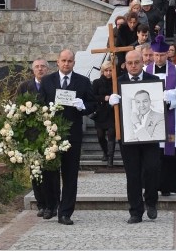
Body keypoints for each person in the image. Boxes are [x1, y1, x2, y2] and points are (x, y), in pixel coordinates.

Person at [38, 49, 96, 225]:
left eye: (69, 61)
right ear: (57, 62)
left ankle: (66, 212)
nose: (66, 64)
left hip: (73, 135)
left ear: (74, 63)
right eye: (63, 60)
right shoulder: (47, 81)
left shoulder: (83, 81)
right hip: (51, 135)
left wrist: (82, 106)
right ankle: (53, 204)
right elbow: (39, 103)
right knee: (50, 172)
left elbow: (92, 104)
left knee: (70, 175)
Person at [108, 50, 161, 223]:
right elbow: (111, 112)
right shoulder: (118, 82)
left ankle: (151, 201)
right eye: (129, 63)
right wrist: (111, 102)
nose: (133, 66)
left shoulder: (153, 80)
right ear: (125, 64)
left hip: (151, 136)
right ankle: (135, 211)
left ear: (142, 62)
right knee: (132, 174)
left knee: (152, 169)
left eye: (136, 62)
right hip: (128, 137)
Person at [146, 36, 176, 195]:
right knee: (152, 154)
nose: (159, 58)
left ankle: (167, 186)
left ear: (167, 54)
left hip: (172, 116)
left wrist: (167, 96)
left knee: (170, 154)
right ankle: (152, 186)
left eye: (162, 55)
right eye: (156, 55)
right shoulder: (146, 70)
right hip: (152, 118)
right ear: (152, 54)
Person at [18, 57, 50, 216]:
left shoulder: (52, 84)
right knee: (35, 170)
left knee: (49, 170)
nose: (40, 69)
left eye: (43, 66)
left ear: (47, 69)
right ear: (33, 70)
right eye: (37, 67)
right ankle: (41, 204)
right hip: (31, 135)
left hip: (49, 134)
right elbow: (17, 107)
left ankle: (52, 203)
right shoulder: (25, 86)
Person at [92, 61, 118, 166]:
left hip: (112, 112)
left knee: (111, 135)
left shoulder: (116, 81)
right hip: (100, 112)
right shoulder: (96, 82)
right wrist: (104, 98)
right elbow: (92, 96)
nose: (108, 73)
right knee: (100, 136)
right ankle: (106, 152)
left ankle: (110, 160)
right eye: (106, 71)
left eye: (110, 70)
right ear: (102, 71)